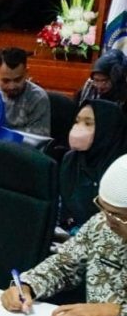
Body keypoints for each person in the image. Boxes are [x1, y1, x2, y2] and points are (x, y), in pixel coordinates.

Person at [1, 154, 127, 316]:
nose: (109, 220)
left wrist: (117, 312)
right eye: (103, 208)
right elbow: (63, 265)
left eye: (119, 215)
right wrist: (27, 286)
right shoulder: (101, 225)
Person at [59, 100, 127, 233]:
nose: (78, 127)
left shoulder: (121, 169)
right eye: (77, 121)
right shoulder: (70, 159)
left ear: (107, 128)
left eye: (88, 123)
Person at [0, 47, 51, 136]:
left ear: (26, 73)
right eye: (5, 81)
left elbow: (38, 138)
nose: (11, 86)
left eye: (17, 80)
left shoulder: (38, 97)